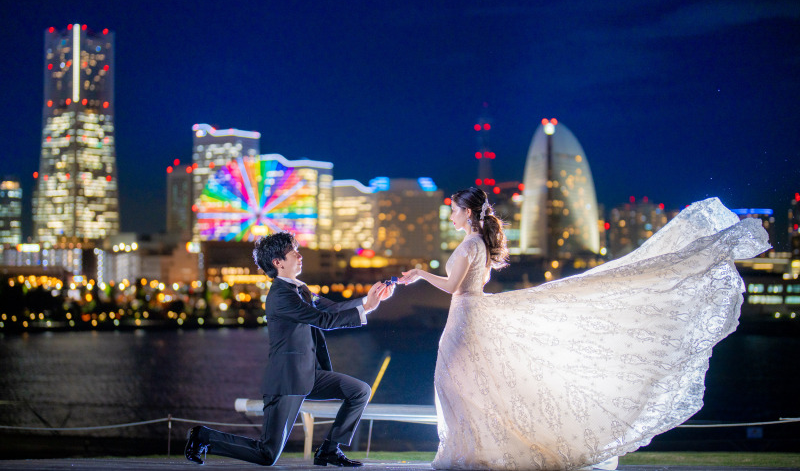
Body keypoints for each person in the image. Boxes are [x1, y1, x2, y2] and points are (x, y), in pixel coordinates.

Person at [399, 188, 769, 470]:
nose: (451, 215)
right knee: (469, 383)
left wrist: (419, 274)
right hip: (471, 314)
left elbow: (453, 287)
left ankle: (468, 451)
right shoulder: (481, 244)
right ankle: (474, 449)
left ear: (467, 212)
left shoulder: (469, 245)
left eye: (453, 209)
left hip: (464, 317)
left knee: (455, 382)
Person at [185, 231, 394, 467]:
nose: (299, 255)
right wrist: (367, 308)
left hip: (308, 374)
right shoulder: (282, 295)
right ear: (278, 262)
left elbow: (332, 309)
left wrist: (369, 301)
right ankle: (203, 437)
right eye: (293, 252)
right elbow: (323, 320)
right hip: (286, 381)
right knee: (267, 454)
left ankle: (329, 450)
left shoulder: (299, 290)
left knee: (359, 391)